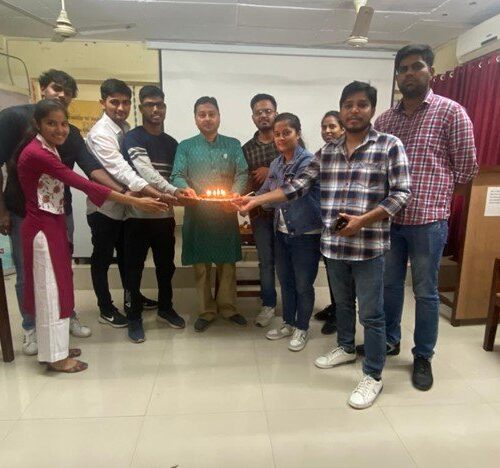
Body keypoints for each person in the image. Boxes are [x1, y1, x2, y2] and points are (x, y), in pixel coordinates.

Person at [236, 81, 411, 409]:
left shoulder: (389, 145)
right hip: (334, 247)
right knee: (343, 306)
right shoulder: (327, 152)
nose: (354, 111)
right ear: (342, 109)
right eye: (348, 105)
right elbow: (295, 187)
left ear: (371, 109)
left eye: (362, 104)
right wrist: (253, 201)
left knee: (372, 315)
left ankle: (373, 374)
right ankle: (345, 348)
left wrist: (364, 220)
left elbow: (401, 193)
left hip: (369, 246)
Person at [357, 44, 478, 391]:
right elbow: (374, 169)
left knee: (425, 292)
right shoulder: (385, 120)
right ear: (397, 76)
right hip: (389, 221)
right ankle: (391, 340)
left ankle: (423, 355)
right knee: (389, 287)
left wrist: (436, 198)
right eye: (403, 69)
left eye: (417, 67)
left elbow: (467, 169)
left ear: (431, 71)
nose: (409, 73)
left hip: (428, 221)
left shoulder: (451, 113)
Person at [14, 99, 167, 372]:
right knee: (50, 291)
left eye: (63, 123)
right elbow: (82, 182)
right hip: (41, 230)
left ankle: (56, 347)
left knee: (59, 287)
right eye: (52, 123)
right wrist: (135, 200)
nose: (60, 129)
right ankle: (56, 357)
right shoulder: (37, 152)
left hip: (53, 224)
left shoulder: (49, 148)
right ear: (37, 124)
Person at [0, 69, 125, 355]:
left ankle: (65, 317)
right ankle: (31, 328)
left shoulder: (68, 132)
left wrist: (124, 192)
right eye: (56, 88)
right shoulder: (14, 120)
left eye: (67, 92)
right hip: (25, 212)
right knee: (27, 272)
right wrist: (2, 210)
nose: (62, 95)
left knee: (60, 268)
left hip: (59, 211)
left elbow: (90, 168)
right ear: (41, 89)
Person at [86, 78, 176, 328]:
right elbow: (124, 169)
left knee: (138, 262)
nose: (120, 107)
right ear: (103, 103)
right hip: (105, 208)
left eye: (125, 102)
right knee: (104, 259)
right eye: (115, 102)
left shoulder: (124, 129)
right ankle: (107, 307)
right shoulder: (103, 133)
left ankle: (140, 300)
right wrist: (159, 193)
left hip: (133, 207)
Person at [171, 96, 248, 332]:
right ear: (195, 118)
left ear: (219, 116)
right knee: (201, 265)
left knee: (227, 263)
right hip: (198, 214)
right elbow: (177, 174)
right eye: (202, 114)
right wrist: (187, 189)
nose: (207, 118)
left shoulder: (233, 144)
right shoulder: (186, 146)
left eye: (211, 114)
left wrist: (234, 195)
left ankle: (228, 308)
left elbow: (242, 173)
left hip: (225, 214)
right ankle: (206, 310)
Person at [122, 85, 193, 343]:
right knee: (133, 269)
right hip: (136, 217)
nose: (155, 109)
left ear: (165, 108)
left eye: (160, 104)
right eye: (150, 104)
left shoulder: (172, 143)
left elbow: (178, 174)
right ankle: (133, 317)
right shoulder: (133, 138)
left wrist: (186, 191)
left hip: (164, 218)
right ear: (141, 109)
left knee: (166, 267)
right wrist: (173, 192)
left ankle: (166, 308)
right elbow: (145, 172)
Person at [258, 113, 322, 351]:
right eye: (277, 134)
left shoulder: (308, 161)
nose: (281, 137)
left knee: (303, 284)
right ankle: (288, 323)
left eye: (287, 132)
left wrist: (255, 201)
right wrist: (241, 200)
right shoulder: (276, 164)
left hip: (306, 233)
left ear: (297, 133)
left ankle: (302, 328)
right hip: (282, 232)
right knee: (285, 280)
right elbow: (265, 193)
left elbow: (290, 191)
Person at [242, 93, 280, 327]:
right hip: (260, 216)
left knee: (288, 262)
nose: (264, 115)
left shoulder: (287, 139)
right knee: (265, 262)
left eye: (268, 111)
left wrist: (269, 171)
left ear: (275, 113)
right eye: (259, 112)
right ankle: (268, 304)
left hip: (288, 214)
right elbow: (245, 180)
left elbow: (299, 174)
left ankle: (294, 304)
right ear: (253, 117)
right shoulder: (247, 148)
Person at [313, 111, 345, 335]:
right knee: (332, 271)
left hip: (347, 226)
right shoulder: (322, 154)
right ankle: (335, 307)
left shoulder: (351, 154)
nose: (328, 131)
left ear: (343, 128)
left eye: (332, 126)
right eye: (324, 127)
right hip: (327, 226)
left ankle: (341, 315)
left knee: (343, 277)